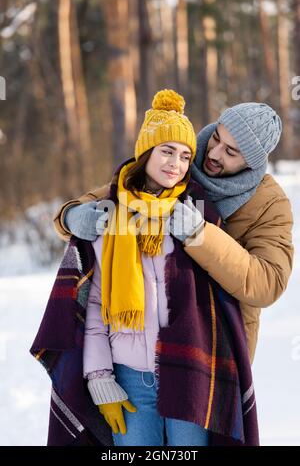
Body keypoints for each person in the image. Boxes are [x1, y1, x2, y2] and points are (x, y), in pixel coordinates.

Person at [31, 89, 258, 447]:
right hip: (129, 380)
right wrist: (99, 376)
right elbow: (94, 306)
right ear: (146, 152)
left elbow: (221, 304)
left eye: (185, 156)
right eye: (167, 151)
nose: (176, 164)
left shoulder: (197, 215)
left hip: (191, 376)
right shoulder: (109, 216)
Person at [54, 102, 294, 365]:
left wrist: (200, 236)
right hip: (139, 346)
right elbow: (116, 194)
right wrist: (70, 216)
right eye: (216, 137)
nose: (213, 153)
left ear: (251, 164)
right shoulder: (180, 158)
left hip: (216, 352)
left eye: (230, 152)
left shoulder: (270, 204)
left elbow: (267, 282)